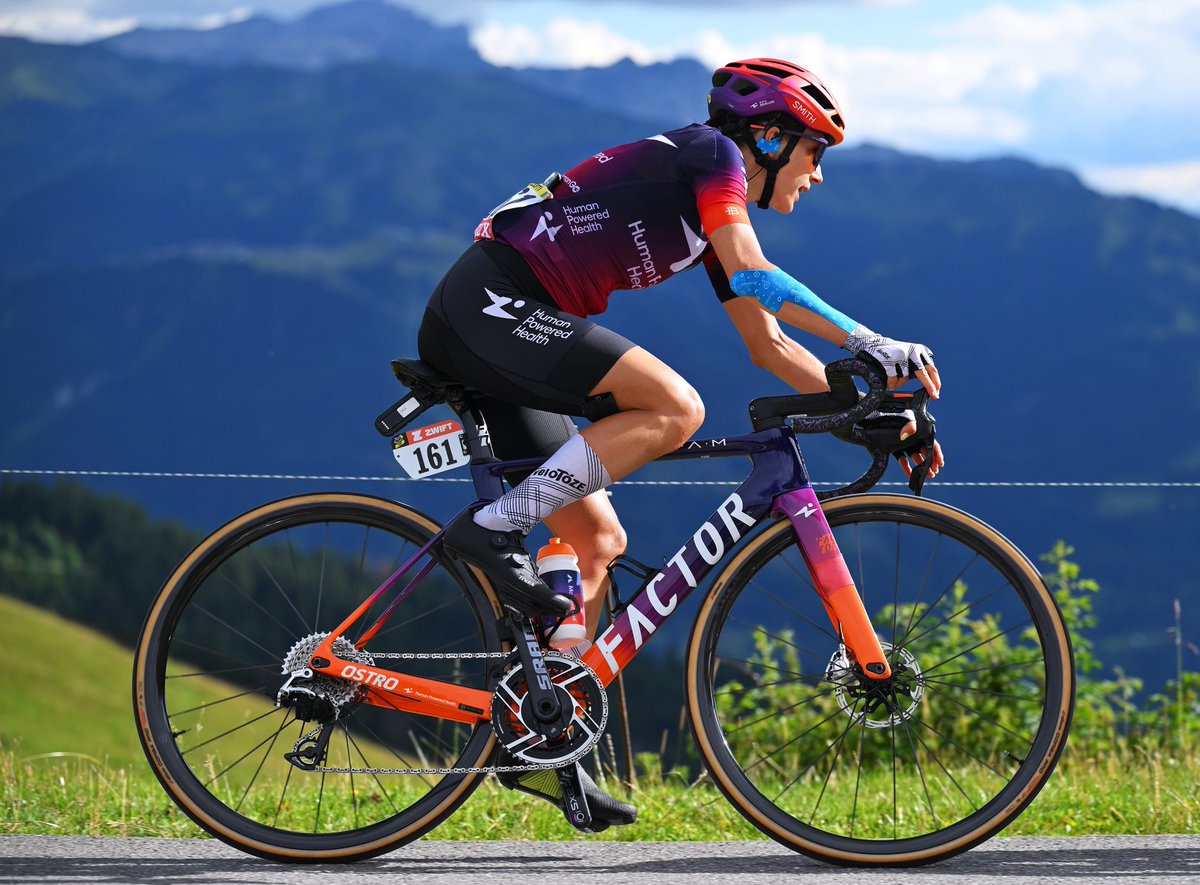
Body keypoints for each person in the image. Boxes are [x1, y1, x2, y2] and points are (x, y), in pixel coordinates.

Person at [418, 57, 943, 831]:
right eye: (814, 153)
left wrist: (867, 405)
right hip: (490, 304)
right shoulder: (713, 156)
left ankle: (549, 740)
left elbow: (768, 348)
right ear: (767, 138)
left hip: (508, 323)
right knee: (674, 406)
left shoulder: (707, 220)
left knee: (595, 537)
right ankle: (491, 529)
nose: (818, 175)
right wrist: (873, 340)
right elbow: (758, 273)